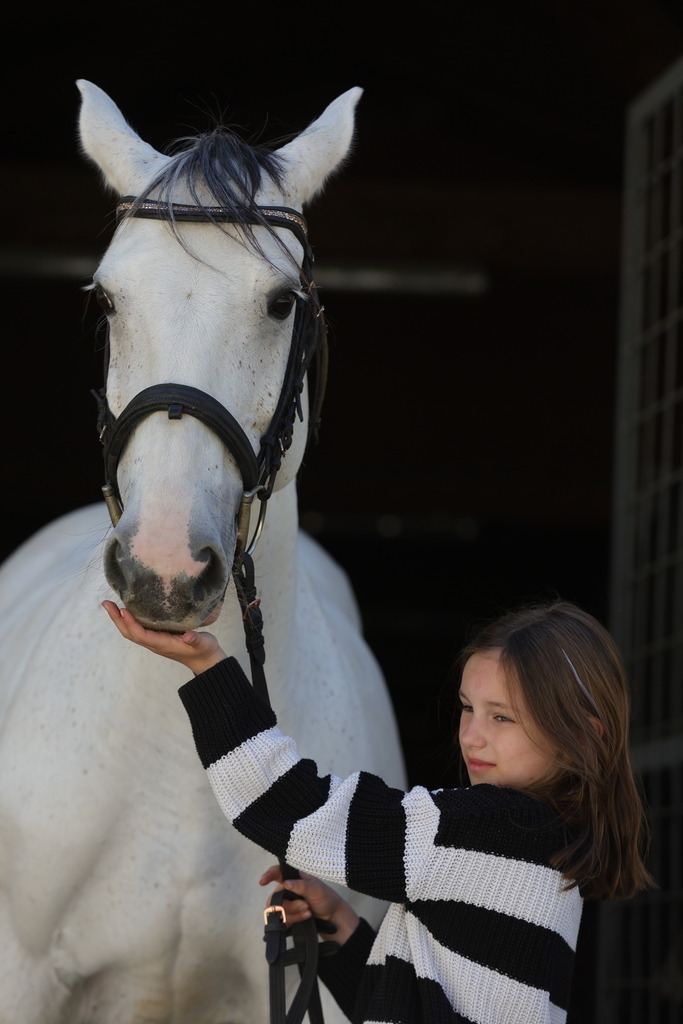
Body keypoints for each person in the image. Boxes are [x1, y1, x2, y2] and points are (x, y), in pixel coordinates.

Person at [102, 597, 654, 1024]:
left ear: (584, 734)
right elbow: (406, 1007)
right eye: (467, 708)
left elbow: (289, 804)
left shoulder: (492, 828)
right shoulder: (546, 847)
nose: (471, 736)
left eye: (502, 718)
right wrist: (341, 924)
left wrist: (208, 666)